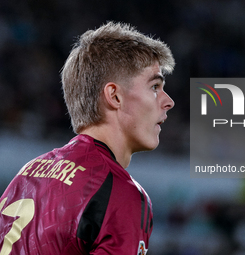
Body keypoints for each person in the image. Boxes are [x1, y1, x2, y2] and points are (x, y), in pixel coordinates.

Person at [0, 21, 175, 255]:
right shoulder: (120, 194)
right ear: (114, 96)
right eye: (155, 86)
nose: (168, 101)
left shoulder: (28, 173)